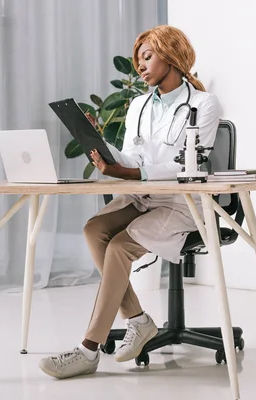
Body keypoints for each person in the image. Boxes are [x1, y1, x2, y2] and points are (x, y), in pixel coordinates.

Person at [39, 25, 220, 379]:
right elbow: (133, 156)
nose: (140, 66)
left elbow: (188, 165)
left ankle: (88, 350)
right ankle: (139, 321)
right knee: (94, 230)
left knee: (119, 247)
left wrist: (134, 175)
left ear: (171, 54)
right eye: (138, 59)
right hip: (143, 196)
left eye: (148, 57)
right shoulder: (138, 104)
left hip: (180, 203)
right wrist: (103, 145)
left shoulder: (202, 104)